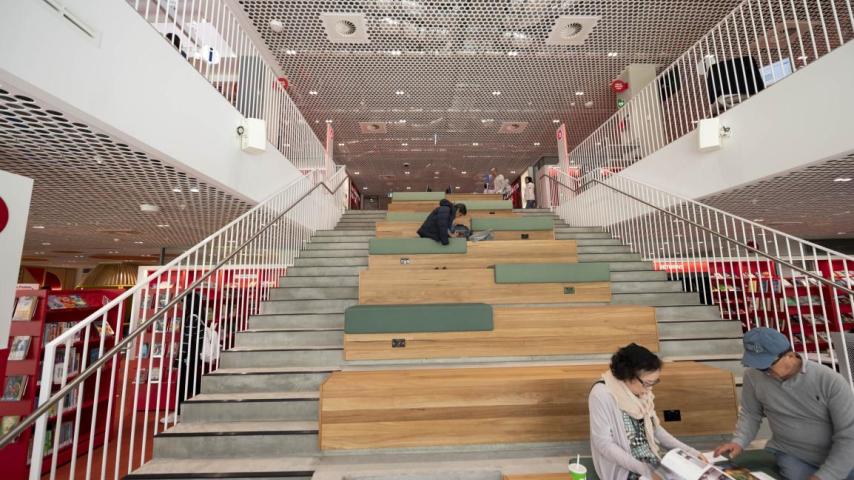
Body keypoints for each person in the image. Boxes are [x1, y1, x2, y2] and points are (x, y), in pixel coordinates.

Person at [714, 328, 854, 480]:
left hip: (839, 455)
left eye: (767, 364)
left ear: (790, 355)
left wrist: (826, 476)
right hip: (791, 454)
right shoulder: (753, 376)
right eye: (758, 365)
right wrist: (739, 442)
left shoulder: (830, 381)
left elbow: (849, 435)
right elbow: (750, 413)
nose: (764, 371)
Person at [589, 343, 701, 480]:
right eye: (647, 383)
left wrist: (691, 453)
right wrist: (646, 470)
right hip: (624, 469)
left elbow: (656, 430)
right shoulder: (602, 394)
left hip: (650, 461)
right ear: (628, 375)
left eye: (654, 382)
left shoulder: (642, 392)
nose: (650, 389)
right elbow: (604, 444)